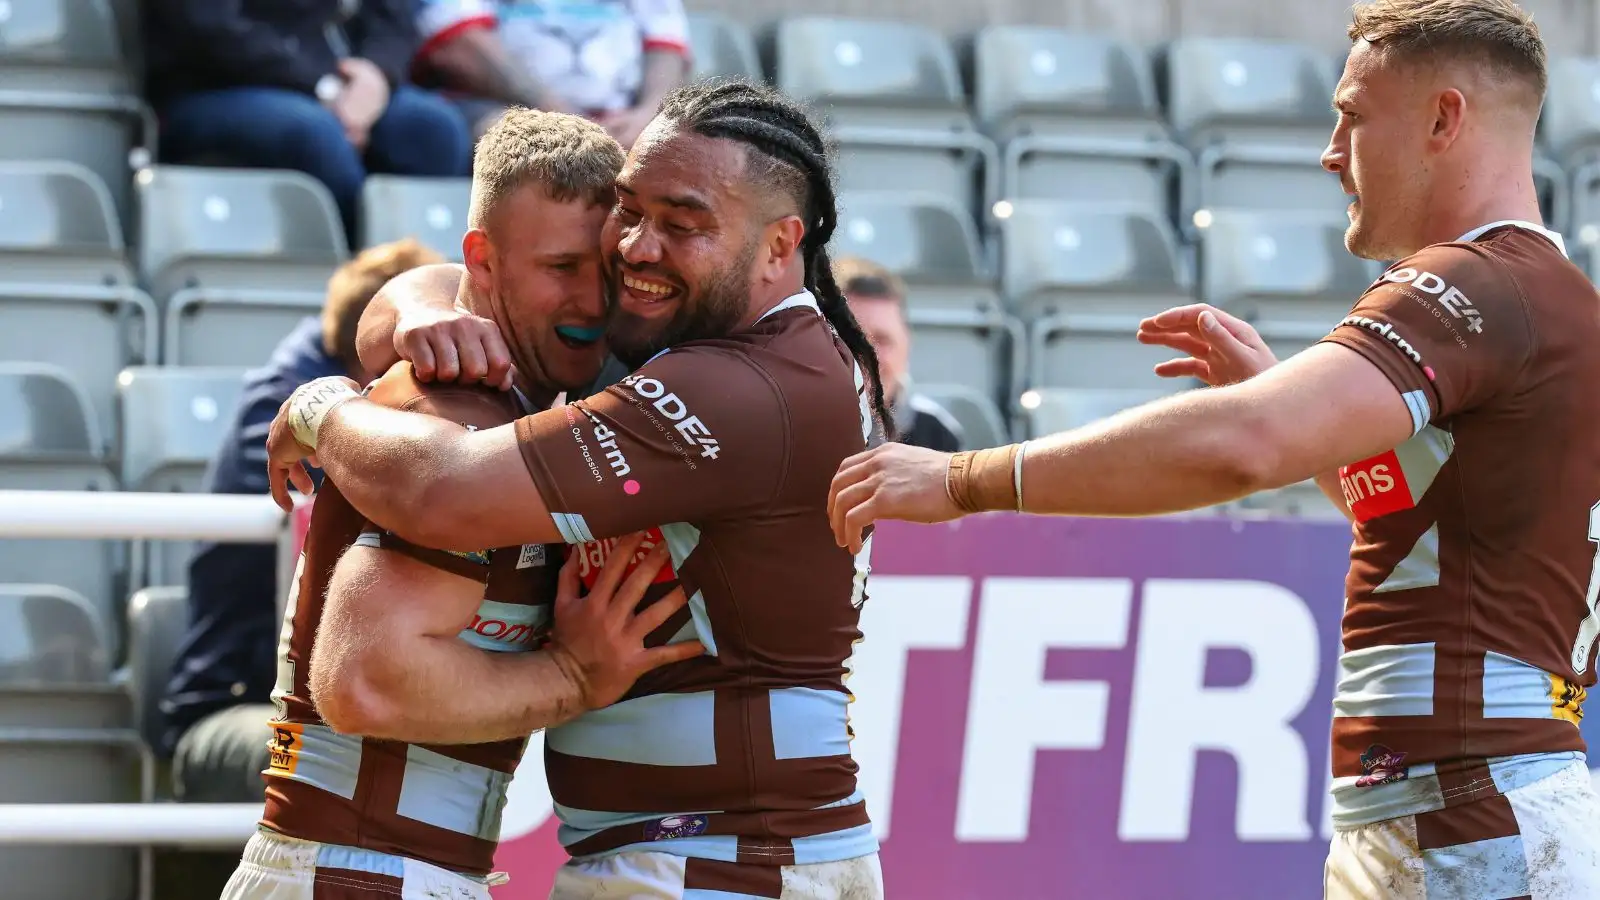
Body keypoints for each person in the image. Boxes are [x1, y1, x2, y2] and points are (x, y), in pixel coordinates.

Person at [829, 1, 1600, 897]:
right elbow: (1432, 529)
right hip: (1482, 800)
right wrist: (1290, 404)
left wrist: (963, 477)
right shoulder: (1559, 301)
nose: (1329, 147)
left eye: (1353, 113)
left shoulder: (1472, 286)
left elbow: (1242, 448)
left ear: (1443, 118)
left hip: (1468, 816)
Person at [266, 78, 890, 898]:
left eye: (683, 224)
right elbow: (441, 288)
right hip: (726, 852)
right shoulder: (730, 350)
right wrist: (419, 308)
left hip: (710, 862)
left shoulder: (721, 385)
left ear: (780, 246)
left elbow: (440, 495)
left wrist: (321, 406)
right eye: (627, 219)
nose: (627, 261)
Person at [221, 108, 702, 900]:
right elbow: (364, 681)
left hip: (373, 870)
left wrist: (402, 314)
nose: (592, 300)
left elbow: (417, 292)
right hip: (363, 872)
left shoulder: (516, 389)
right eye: (560, 267)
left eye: (606, 269)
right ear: (482, 261)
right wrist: (574, 678)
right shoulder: (459, 410)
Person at [160, 238, 445, 807]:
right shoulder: (282, 422)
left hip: (327, 697)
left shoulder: (335, 394)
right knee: (360, 747)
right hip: (232, 709)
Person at [144, 0, 473, 241]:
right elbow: (204, 25)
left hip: (336, 82)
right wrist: (322, 87)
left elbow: (393, 16)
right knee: (316, 136)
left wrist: (376, 75)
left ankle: (420, 287)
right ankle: (356, 288)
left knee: (432, 130)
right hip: (212, 85)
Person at [412, 0, 691, 147]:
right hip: (501, 106)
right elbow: (461, 44)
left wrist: (650, 116)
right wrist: (562, 119)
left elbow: (666, 42)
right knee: (528, 145)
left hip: (624, 115)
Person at [835, 255, 965, 451]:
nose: (868, 357)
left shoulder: (938, 435)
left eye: (883, 340)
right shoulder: (788, 425)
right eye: (852, 339)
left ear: (907, 345)